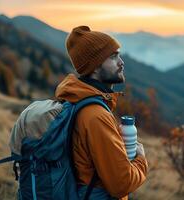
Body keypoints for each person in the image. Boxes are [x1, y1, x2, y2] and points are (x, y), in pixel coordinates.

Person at [55, 25, 148, 200]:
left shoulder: (78, 101)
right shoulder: (95, 115)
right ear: (95, 66)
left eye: (118, 55)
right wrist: (141, 159)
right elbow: (122, 184)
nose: (121, 62)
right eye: (113, 57)